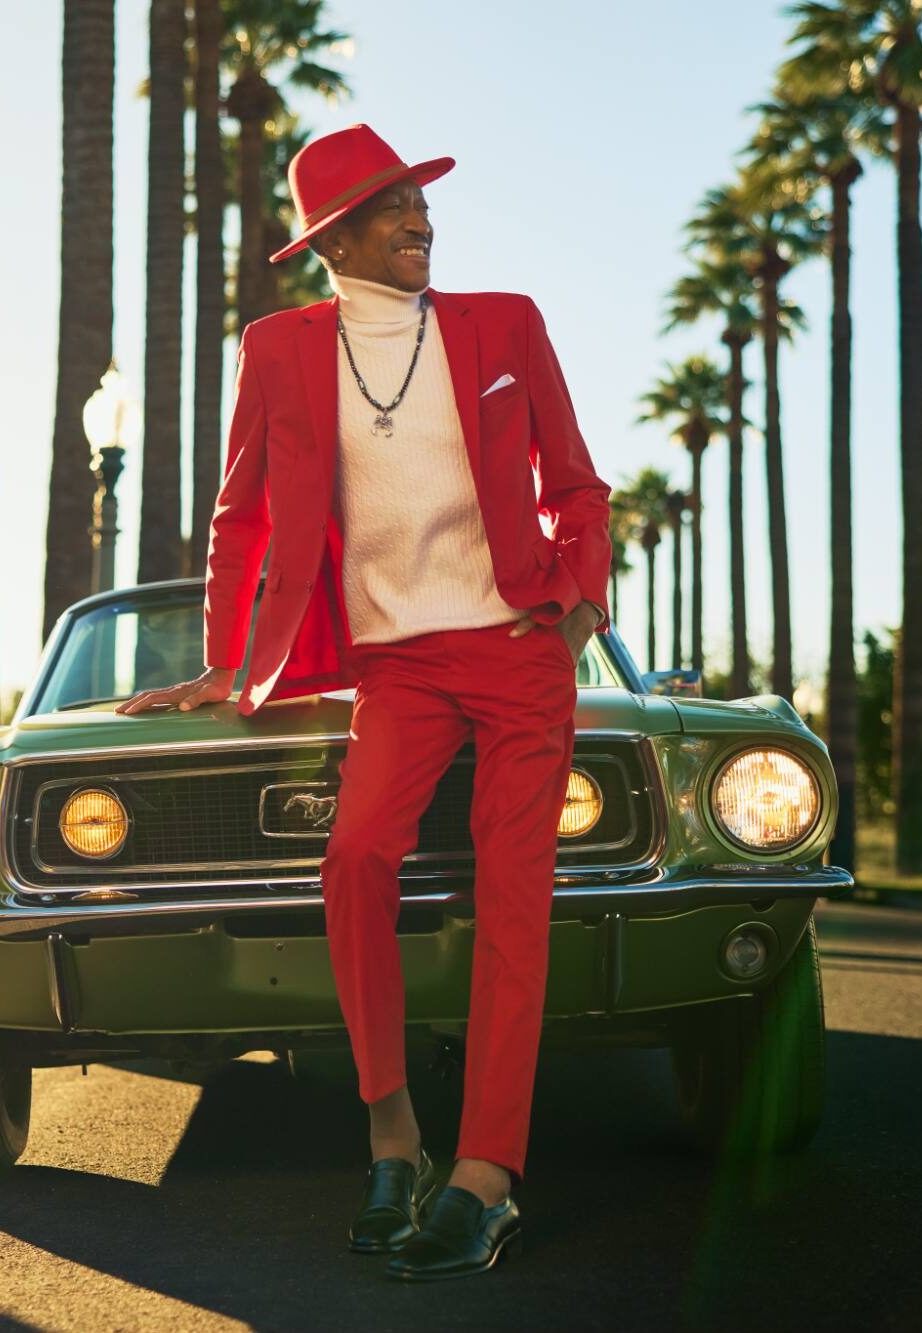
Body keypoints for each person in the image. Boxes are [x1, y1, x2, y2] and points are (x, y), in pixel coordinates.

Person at [117, 123, 611, 1282]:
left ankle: (487, 1175)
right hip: (396, 666)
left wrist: (577, 598)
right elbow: (242, 516)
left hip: (518, 646)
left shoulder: (505, 324)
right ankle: (392, 1130)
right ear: (333, 236)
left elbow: (576, 481)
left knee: (513, 896)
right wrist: (235, 664)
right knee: (354, 859)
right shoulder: (281, 349)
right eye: (394, 208)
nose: (421, 223)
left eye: (422, 205)